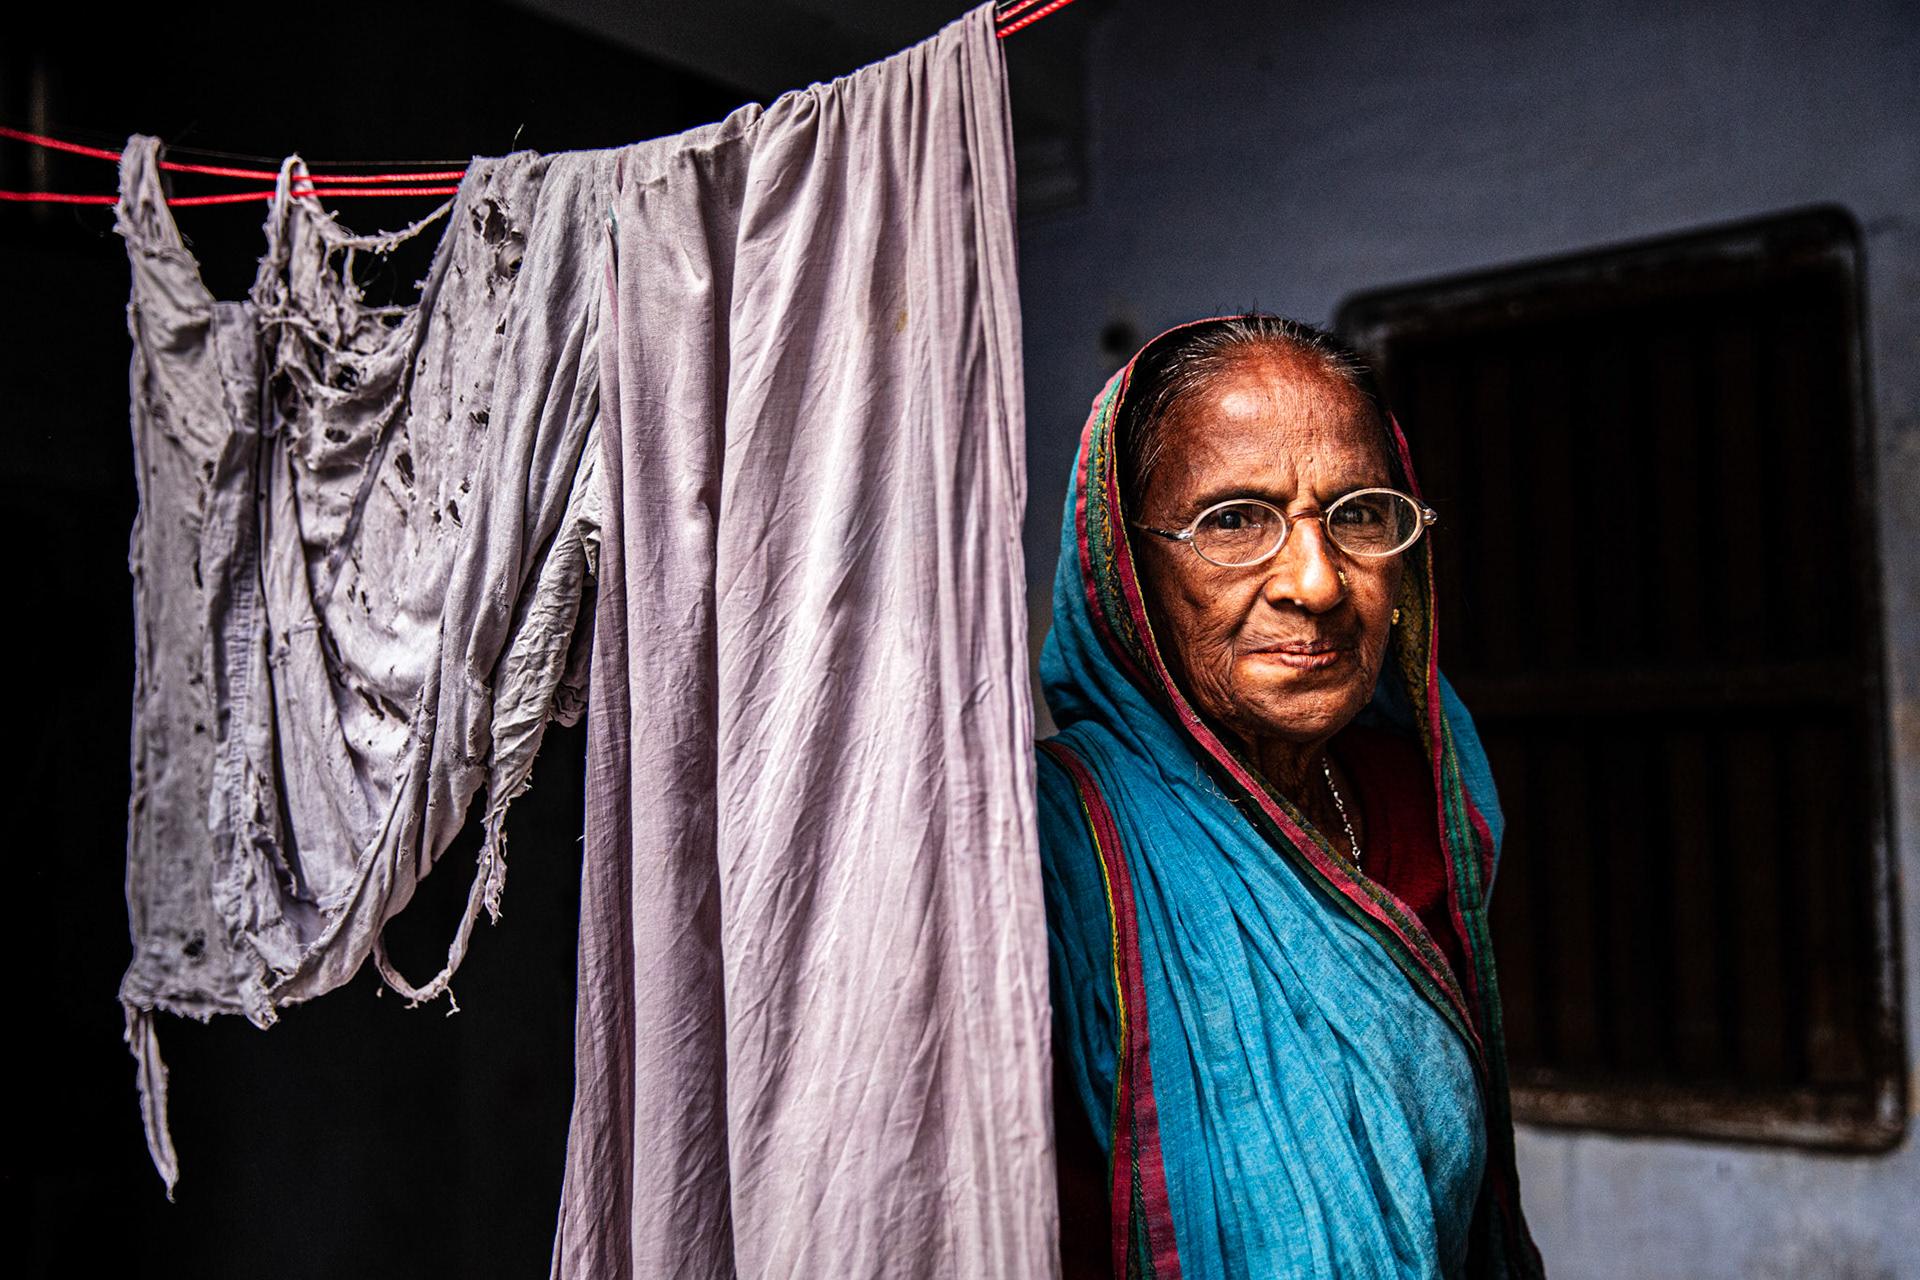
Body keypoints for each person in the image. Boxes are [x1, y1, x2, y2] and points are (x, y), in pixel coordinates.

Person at [1037, 316, 1544, 1279]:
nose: (1315, 583)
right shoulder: (1044, 852)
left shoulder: (1417, 801)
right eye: (1232, 519)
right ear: (1125, 565)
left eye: (1357, 513)